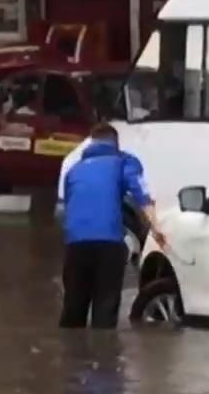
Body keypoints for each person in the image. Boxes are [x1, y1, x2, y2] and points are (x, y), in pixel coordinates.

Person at [58, 123, 164, 330]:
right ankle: (103, 357)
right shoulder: (125, 162)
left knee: (72, 311)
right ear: (116, 143)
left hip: (75, 245)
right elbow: (142, 197)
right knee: (104, 312)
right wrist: (157, 230)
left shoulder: (73, 170)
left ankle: (69, 358)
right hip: (108, 244)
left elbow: (66, 208)